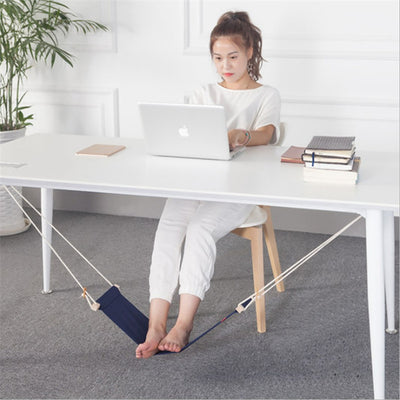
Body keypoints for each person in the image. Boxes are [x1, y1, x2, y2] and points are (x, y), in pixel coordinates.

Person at [136, 11, 280, 359]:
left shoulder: (266, 95)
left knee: (199, 229)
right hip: (197, 182)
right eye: (218, 58)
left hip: (241, 189)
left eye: (233, 56)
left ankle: (183, 322)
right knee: (169, 227)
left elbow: (268, 134)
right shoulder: (203, 93)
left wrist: (242, 135)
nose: (225, 65)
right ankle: (156, 323)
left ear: (250, 53)